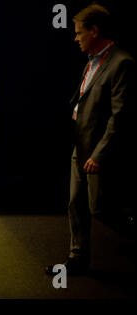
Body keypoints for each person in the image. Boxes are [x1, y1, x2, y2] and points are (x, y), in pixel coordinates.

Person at [47, 4, 136, 275]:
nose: (76, 38)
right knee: (76, 202)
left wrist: (99, 154)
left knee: (100, 208)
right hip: (80, 144)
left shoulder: (121, 63)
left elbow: (120, 117)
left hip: (98, 149)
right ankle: (77, 258)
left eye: (79, 33)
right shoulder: (92, 60)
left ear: (94, 31)